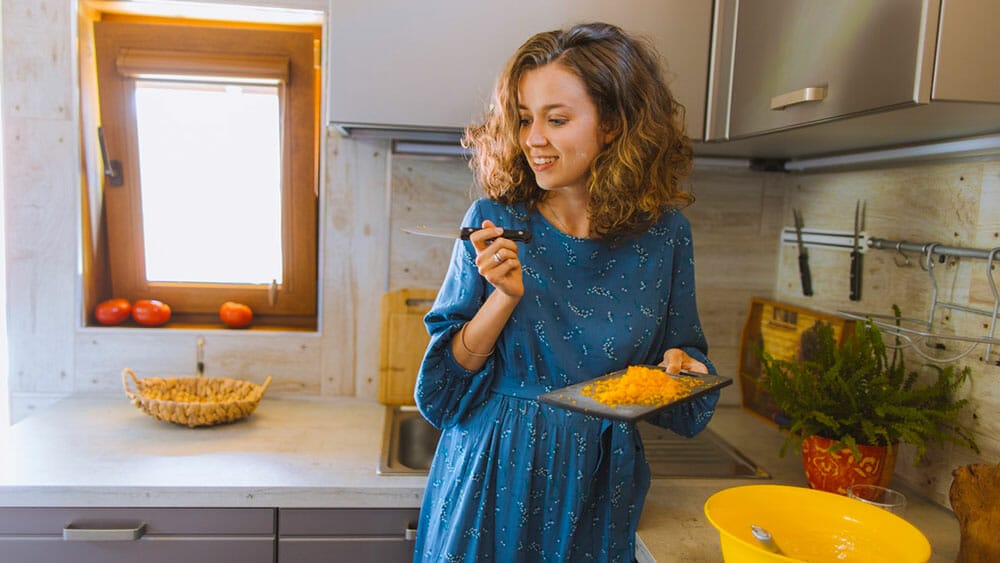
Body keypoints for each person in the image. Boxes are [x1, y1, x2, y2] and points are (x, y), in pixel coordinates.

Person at [413, 22, 719, 562]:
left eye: (557, 119)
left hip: (600, 486)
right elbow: (442, 395)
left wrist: (682, 368)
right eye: (526, 119)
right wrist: (502, 298)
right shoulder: (494, 222)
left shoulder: (666, 236)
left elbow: (685, 370)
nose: (534, 138)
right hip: (493, 475)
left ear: (614, 125)